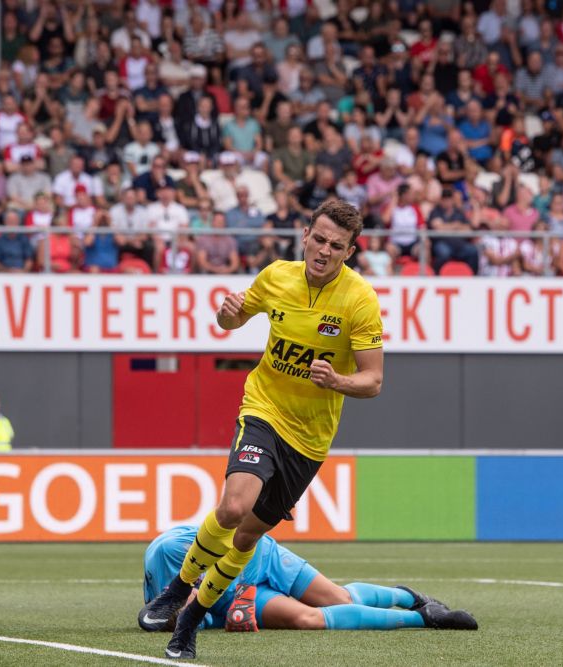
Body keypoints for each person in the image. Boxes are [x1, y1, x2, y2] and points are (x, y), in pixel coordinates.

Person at [140, 199, 385, 661]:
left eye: (337, 245)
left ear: (350, 251)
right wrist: (228, 313)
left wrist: (337, 381)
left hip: (310, 439)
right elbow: (230, 320)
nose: (325, 251)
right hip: (264, 409)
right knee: (234, 507)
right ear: (305, 235)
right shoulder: (276, 275)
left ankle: (191, 619)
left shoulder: (360, 300)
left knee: (248, 538)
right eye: (319, 239)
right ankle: (177, 590)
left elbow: (373, 381)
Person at [141, 525, 478, 633]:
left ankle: (406, 595)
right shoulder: (160, 589)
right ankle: (423, 618)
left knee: (339, 598)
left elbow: (241, 535)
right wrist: (226, 619)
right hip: (232, 592)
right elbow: (193, 619)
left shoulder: (174, 548)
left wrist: (240, 588)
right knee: (308, 619)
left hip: (262, 556)